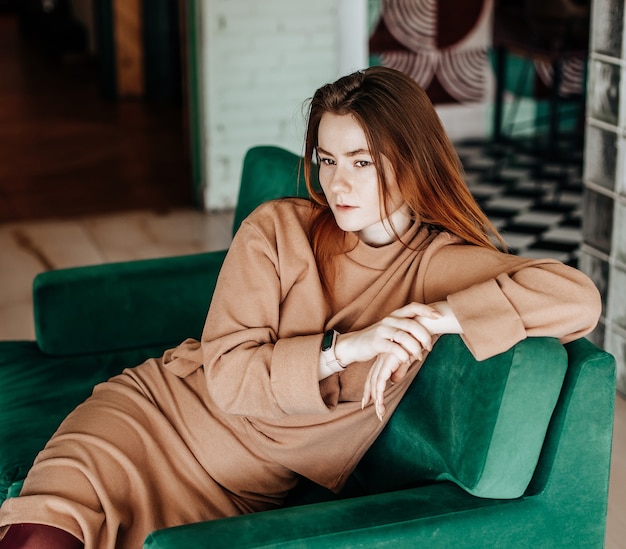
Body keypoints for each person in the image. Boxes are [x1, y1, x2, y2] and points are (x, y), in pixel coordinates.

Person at [0, 66, 601, 548]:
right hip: (145, 420)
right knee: (36, 536)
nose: (338, 184)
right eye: (327, 159)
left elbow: (577, 297)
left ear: (412, 161)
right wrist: (352, 348)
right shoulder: (279, 229)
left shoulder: (435, 266)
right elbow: (230, 379)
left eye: (362, 162)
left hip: (240, 488)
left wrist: (439, 316)